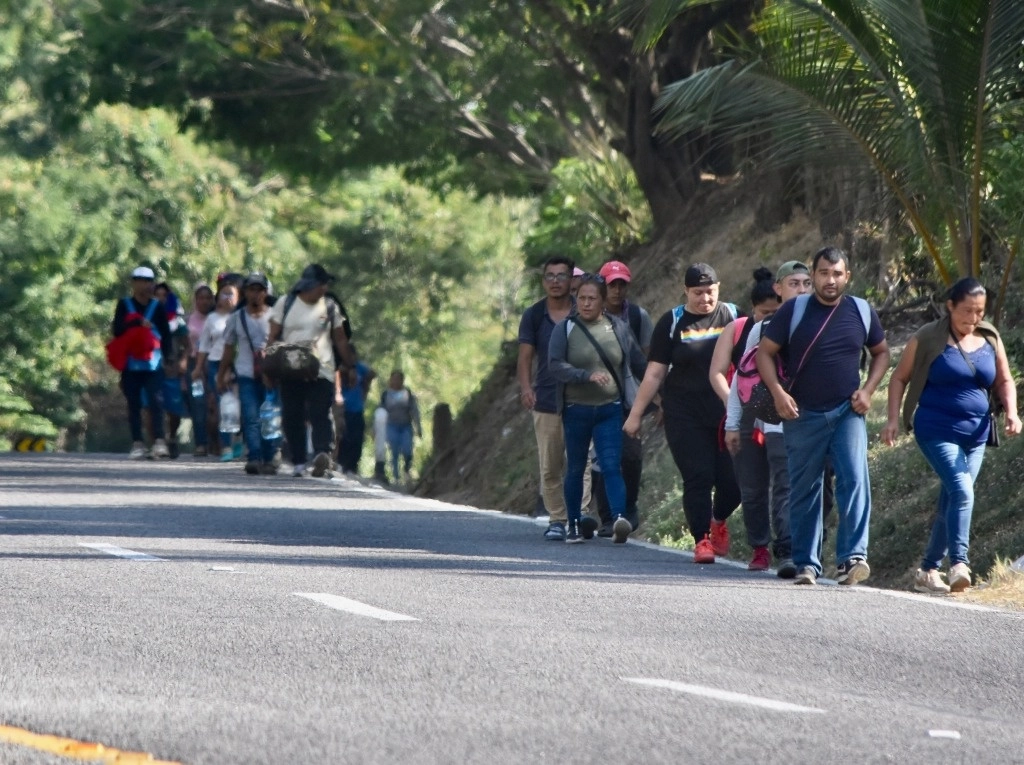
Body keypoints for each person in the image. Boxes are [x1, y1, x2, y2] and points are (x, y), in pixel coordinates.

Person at [757, 246, 890, 585]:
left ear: (848, 276)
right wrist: (778, 393)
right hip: (801, 413)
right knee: (805, 489)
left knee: (854, 479)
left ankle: (852, 558)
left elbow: (881, 353)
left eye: (837, 274)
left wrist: (868, 390)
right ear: (813, 275)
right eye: (824, 273)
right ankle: (806, 563)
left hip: (847, 411)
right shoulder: (793, 311)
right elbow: (764, 354)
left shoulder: (861, 311)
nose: (830, 280)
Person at [882, 278, 1021, 593]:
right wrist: (892, 419)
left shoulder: (989, 337)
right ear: (950, 306)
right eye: (967, 311)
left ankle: (928, 570)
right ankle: (960, 563)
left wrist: (1012, 412)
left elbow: (1004, 380)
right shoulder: (928, 337)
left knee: (952, 499)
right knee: (962, 491)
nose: (973, 319)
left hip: (977, 433)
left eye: (979, 312)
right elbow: (899, 378)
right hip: (936, 429)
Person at [624, 263, 742, 563]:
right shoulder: (673, 321)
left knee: (734, 481)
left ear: (719, 288)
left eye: (710, 291)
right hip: (684, 413)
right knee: (697, 476)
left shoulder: (733, 316)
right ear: (686, 292)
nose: (705, 298)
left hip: (727, 410)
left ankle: (718, 521)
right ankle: (701, 539)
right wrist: (636, 415)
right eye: (698, 292)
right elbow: (654, 374)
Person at [712, 262, 812, 575]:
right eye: (794, 283)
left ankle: (797, 549)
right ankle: (771, 549)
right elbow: (743, 378)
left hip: (813, 421)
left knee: (794, 486)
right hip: (769, 420)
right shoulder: (764, 329)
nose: (802, 289)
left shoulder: (825, 322)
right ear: (780, 289)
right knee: (761, 488)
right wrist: (732, 423)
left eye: (806, 282)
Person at [548, 274, 648, 543]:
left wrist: (658, 393)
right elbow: (554, 364)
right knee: (576, 467)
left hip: (610, 409)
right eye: (581, 298)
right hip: (575, 409)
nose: (586, 303)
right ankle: (574, 524)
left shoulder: (618, 328)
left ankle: (618, 520)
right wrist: (584, 375)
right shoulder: (565, 329)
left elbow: (639, 363)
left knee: (611, 464)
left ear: (603, 301)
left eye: (592, 298)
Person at [517, 256, 589, 541]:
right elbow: (524, 357)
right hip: (546, 399)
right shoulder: (534, 315)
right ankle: (557, 518)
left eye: (562, 276)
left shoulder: (584, 309)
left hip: (582, 397)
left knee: (580, 462)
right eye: (550, 276)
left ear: (572, 280)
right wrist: (526, 388)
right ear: (543, 280)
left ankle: (579, 516)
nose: (556, 281)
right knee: (550, 465)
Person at [267, 263, 355, 478]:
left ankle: (321, 454)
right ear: (310, 285)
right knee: (292, 414)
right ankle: (298, 460)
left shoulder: (330, 306)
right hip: (290, 369)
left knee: (320, 412)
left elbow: (340, 339)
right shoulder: (285, 303)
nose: (325, 289)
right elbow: (272, 336)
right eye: (322, 285)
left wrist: (349, 366)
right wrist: (268, 369)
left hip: (322, 369)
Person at [592, 259, 654, 537]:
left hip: (629, 397)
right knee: (602, 457)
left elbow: (646, 362)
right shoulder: (585, 315)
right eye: (611, 285)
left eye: (621, 284)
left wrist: (657, 398)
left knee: (630, 455)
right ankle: (608, 517)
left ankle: (628, 507)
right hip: (592, 397)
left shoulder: (637, 317)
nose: (617, 290)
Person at [217, 272, 278, 475]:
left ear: (265, 292)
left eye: (259, 289)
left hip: (270, 374)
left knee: (269, 416)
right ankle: (254, 456)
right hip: (246, 374)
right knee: (251, 416)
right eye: (251, 289)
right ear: (245, 292)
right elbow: (228, 348)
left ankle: (269, 457)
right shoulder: (236, 317)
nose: (255, 294)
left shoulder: (274, 317)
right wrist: (221, 374)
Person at [111, 266, 174, 459]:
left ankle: (159, 441)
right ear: (133, 282)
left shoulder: (157, 307)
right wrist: (136, 323)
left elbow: (165, 335)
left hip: (153, 363)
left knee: (157, 401)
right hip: (131, 363)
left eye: (148, 281)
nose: (144, 285)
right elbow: (117, 329)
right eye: (139, 280)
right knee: (134, 402)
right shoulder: (124, 304)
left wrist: (168, 358)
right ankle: (137, 442)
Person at [193, 282, 240, 461]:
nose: (227, 298)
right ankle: (226, 445)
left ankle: (240, 441)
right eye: (224, 294)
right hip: (215, 363)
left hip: (237, 364)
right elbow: (204, 345)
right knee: (224, 403)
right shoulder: (212, 319)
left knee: (239, 405)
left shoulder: (240, 316)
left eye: (231, 294)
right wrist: (198, 367)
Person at [153, 282, 188, 459]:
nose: (160, 298)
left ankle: (172, 437)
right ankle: (156, 441)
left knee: (174, 408)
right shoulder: (148, 318)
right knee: (151, 405)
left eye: (163, 295)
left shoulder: (177, 323)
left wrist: (183, 361)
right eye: (157, 295)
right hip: (151, 366)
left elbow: (187, 346)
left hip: (172, 367)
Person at [185, 283, 215, 456]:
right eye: (200, 298)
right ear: (196, 300)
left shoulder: (218, 318)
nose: (204, 301)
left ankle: (217, 442)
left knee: (214, 404)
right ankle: (201, 443)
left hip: (213, 363)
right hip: (194, 365)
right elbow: (184, 343)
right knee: (197, 404)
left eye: (207, 298)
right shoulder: (189, 319)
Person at [337, 345, 377, 474]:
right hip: (342, 409)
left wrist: (366, 385)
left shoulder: (359, 367)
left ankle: (353, 466)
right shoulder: (339, 368)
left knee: (357, 438)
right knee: (342, 438)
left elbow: (372, 373)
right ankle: (340, 463)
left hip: (357, 408)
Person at [381, 371, 422, 483]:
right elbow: (381, 411)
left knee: (407, 450)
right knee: (394, 450)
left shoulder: (407, 394)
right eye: (393, 379)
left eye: (398, 379)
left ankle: (407, 470)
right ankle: (396, 476)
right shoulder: (386, 394)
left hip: (405, 426)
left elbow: (414, 411)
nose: (395, 381)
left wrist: (418, 427)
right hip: (391, 426)